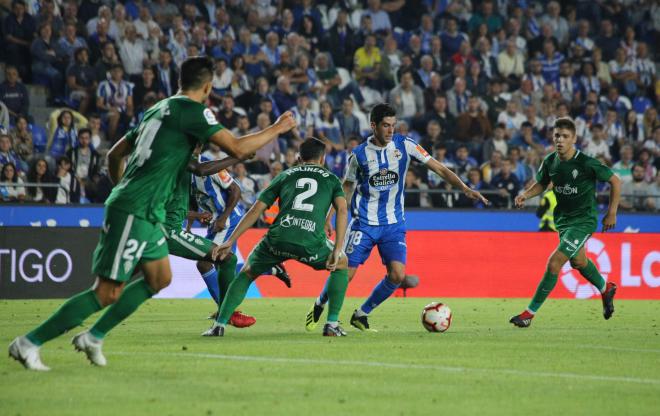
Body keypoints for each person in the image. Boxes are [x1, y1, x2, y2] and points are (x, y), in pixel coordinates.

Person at [8, 56, 296, 371]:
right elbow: (238, 149)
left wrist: (124, 187)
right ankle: (29, 342)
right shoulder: (193, 111)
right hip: (136, 209)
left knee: (160, 277)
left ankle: (94, 337)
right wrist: (278, 127)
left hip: (143, 209)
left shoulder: (157, 110)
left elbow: (115, 153)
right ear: (208, 87)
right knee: (106, 292)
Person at [306, 104, 489, 332]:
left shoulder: (405, 145)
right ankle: (322, 303)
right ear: (373, 126)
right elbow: (346, 188)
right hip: (364, 224)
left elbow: (438, 168)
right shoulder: (359, 155)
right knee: (345, 273)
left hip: (394, 224)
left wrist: (465, 187)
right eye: (385, 125)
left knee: (397, 274)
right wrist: (328, 218)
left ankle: (362, 314)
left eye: (393, 125)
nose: (391, 130)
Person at [205, 137, 350, 337]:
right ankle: (332, 324)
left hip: (278, 239)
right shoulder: (331, 179)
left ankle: (219, 326)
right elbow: (342, 210)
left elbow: (256, 209)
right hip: (310, 241)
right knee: (342, 263)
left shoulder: (285, 175)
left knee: (247, 273)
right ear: (323, 159)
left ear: (299, 158)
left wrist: (230, 240)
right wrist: (336, 249)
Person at [511, 117, 620, 328]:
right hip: (563, 221)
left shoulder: (586, 163)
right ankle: (606, 288)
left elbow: (615, 180)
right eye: (557, 136)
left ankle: (528, 314)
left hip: (584, 220)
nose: (560, 140)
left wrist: (612, 212)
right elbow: (542, 183)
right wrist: (526, 194)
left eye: (565, 136)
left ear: (574, 139)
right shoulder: (551, 161)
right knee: (578, 262)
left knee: (555, 262)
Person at [189, 153, 291, 324]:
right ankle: (270, 268)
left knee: (206, 262)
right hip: (215, 221)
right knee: (224, 267)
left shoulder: (210, 166)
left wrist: (223, 217)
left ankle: (226, 311)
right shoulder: (187, 170)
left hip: (228, 220)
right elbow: (195, 199)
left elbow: (235, 190)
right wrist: (192, 222)